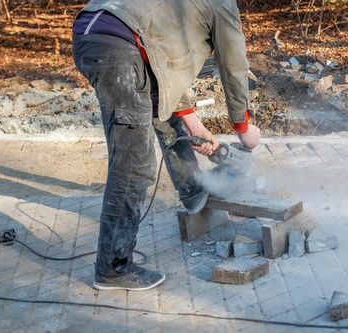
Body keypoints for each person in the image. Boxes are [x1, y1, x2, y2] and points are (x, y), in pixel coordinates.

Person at [72, 0, 260, 291]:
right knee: (133, 165)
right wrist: (243, 128)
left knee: (162, 110)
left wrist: (195, 126)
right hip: (119, 47)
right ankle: (112, 267)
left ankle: (193, 190)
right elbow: (234, 65)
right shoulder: (222, 3)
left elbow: (162, 67)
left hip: (97, 32)